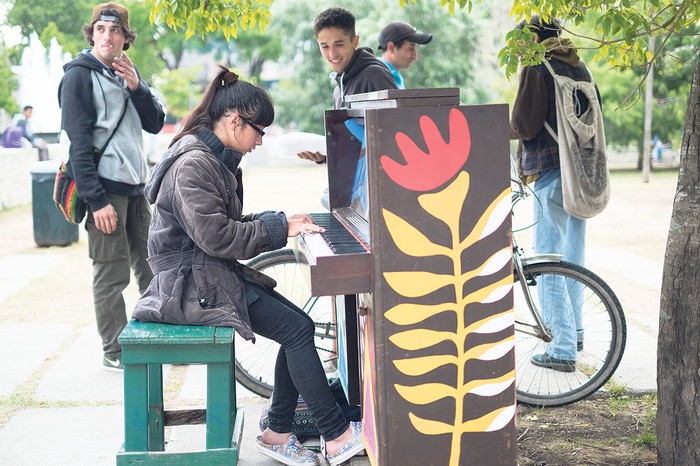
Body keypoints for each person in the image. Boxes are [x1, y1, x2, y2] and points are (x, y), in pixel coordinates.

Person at [131, 65, 365, 466]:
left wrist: (282, 222)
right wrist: (277, 227)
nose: (260, 141)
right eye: (259, 131)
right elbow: (219, 237)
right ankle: (336, 434)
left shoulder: (212, 157)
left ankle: (279, 432)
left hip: (205, 273)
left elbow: (221, 229)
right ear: (235, 120)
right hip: (188, 287)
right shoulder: (194, 164)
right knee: (296, 330)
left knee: (298, 328)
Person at [58, 2, 165, 371]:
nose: (108, 36)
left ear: (124, 37)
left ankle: (157, 338)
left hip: (136, 187)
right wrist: (96, 199)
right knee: (110, 271)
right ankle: (115, 351)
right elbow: (78, 144)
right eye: (101, 30)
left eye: (115, 30)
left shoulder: (127, 73)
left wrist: (137, 87)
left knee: (152, 265)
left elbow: (155, 122)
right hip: (105, 191)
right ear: (92, 34)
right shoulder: (78, 76)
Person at [510, 16, 601, 372]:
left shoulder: (537, 66)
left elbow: (525, 124)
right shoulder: (579, 67)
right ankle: (574, 332)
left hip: (550, 172)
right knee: (574, 260)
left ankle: (562, 348)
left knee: (548, 264)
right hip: (580, 175)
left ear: (529, 40)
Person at [297, 7, 397, 165]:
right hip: (352, 186)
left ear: (354, 41)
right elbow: (351, 145)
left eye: (339, 44)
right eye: (325, 46)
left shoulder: (374, 75)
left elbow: (396, 135)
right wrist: (325, 156)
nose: (332, 54)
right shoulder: (338, 89)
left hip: (378, 184)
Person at [377, 21, 432, 89]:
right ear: (391, 47)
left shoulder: (394, 77)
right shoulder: (378, 76)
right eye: (411, 49)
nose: (415, 56)